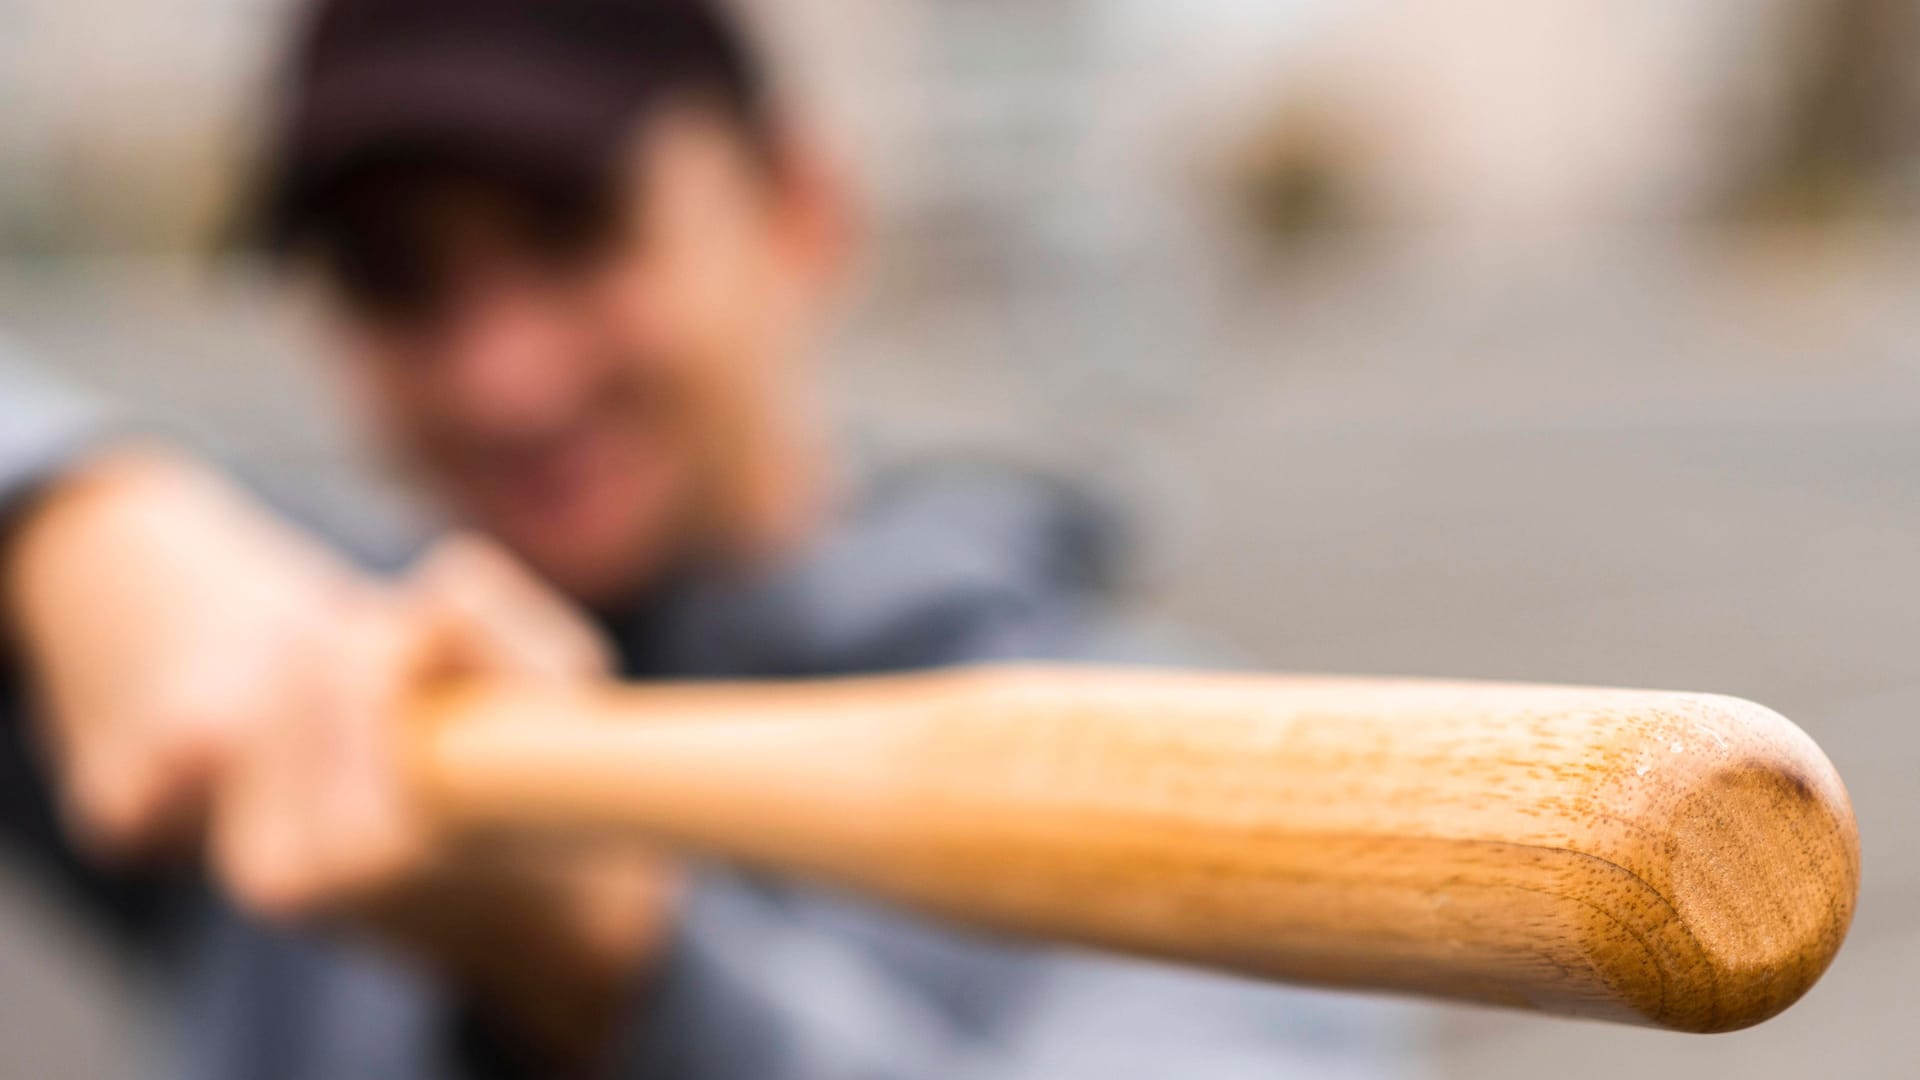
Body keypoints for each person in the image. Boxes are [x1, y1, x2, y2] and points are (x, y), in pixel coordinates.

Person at [0, 1, 1423, 1077]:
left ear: (799, 207)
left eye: (573, 231)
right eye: (396, 281)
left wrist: (622, 955)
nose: (506, 376)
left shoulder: (1201, 778)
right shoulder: (309, 681)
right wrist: (76, 512)